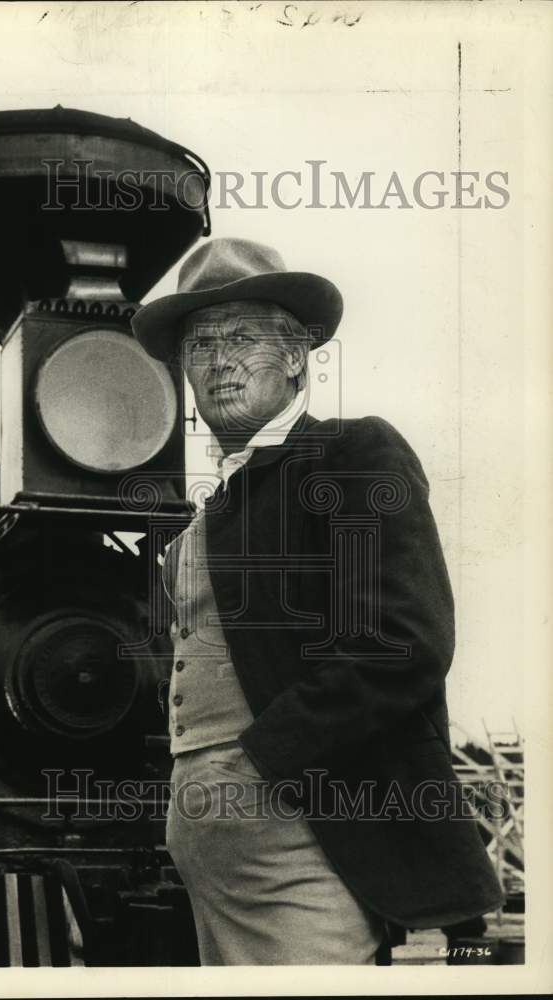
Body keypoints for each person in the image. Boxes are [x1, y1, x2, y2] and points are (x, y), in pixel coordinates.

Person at [131, 238, 504, 965]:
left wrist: (258, 763)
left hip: (309, 845)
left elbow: (400, 645)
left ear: (297, 355)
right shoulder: (209, 513)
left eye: (242, 337)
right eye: (198, 344)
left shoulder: (350, 455)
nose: (218, 361)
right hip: (212, 866)